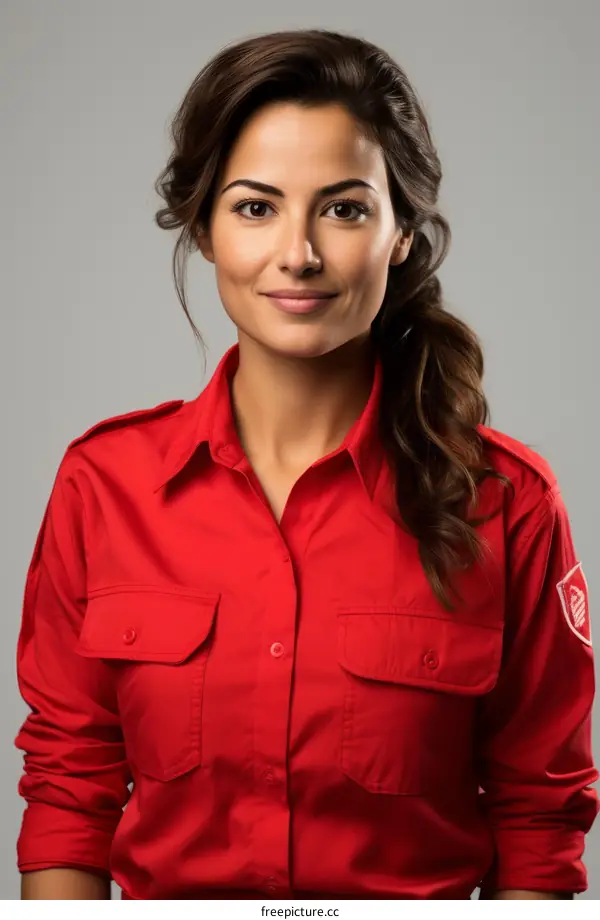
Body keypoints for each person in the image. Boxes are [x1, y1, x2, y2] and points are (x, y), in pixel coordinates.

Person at [14, 28, 598, 901]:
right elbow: (70, 788)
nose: (299, 254)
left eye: (345, 208)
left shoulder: (507, 501)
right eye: (255, 207)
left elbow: (539, 815)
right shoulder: (104, 486)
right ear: (205, 230)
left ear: (401, 234)